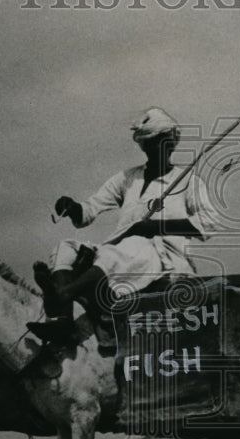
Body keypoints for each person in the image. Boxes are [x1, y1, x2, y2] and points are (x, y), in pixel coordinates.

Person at [29, 106, 219, 345]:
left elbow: (210, 222)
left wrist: (156, 228)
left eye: (160, 141)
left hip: (165, 260)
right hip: (121, 252)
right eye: (148, 143)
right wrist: (73, 207)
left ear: (171, 144)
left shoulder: (188, 181)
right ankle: (62, 320)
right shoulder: (128, 178)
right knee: (65, 248)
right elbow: (90, 209)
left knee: (132, 246)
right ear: (142, 146)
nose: (154, 148)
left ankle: (62, 294)